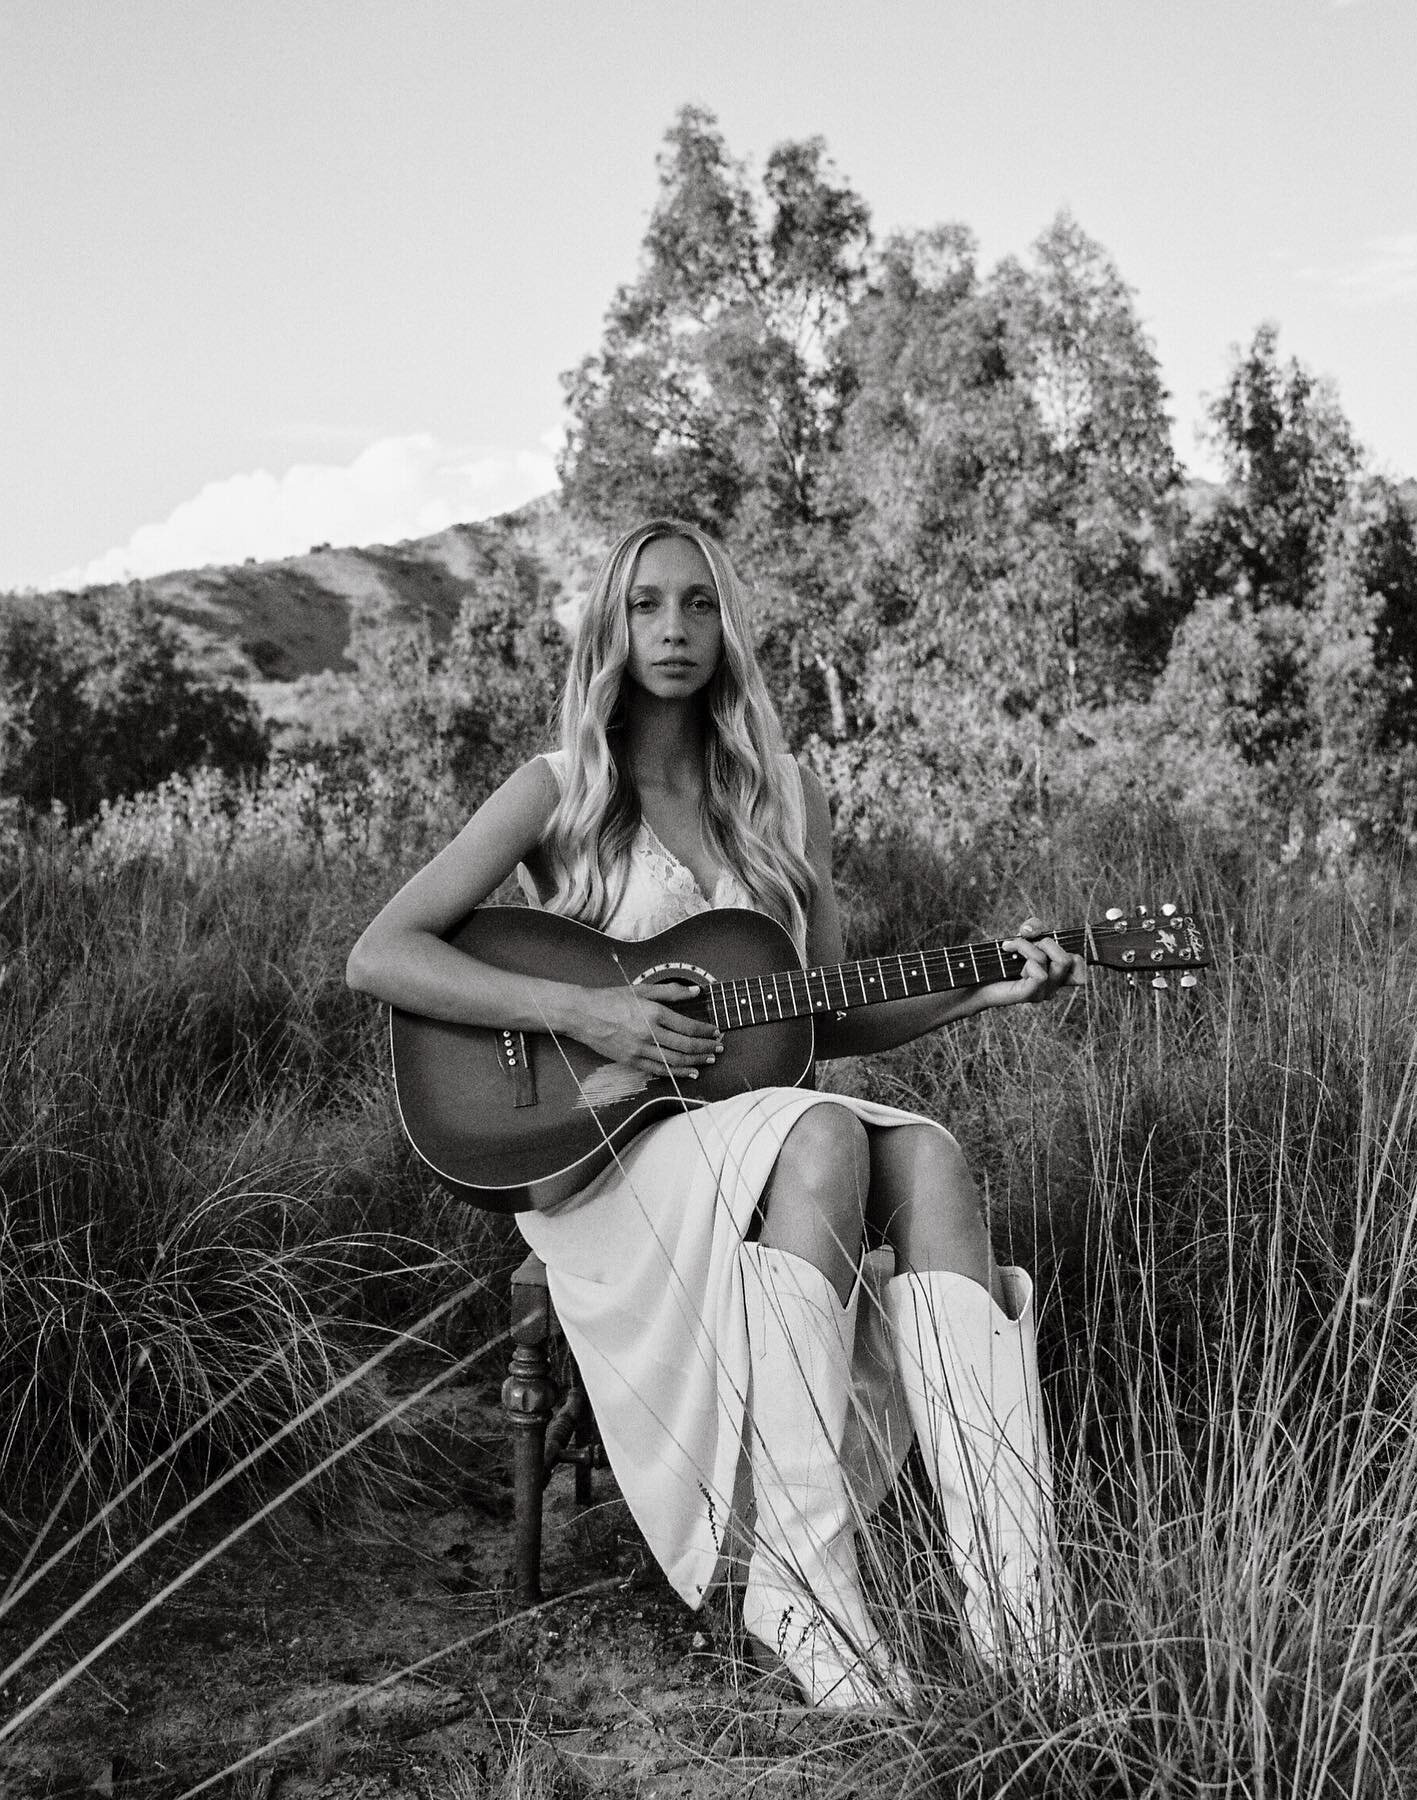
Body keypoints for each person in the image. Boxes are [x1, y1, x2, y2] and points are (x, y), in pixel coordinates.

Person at [346, 519, 1081, 1710]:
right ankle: (800, 1579)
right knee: (824, 1130)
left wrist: (982, 987)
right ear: (612, 625)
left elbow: (817, 1023)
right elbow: (380, 956)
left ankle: (1019, 1612)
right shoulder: (559, 787)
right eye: (647, 607)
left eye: (696, 604)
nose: (674, 630)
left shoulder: (788, 797)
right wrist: (590, 1016)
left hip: (756, 1120)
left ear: (728, 623)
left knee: (933, 1157)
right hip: (606, 1161)